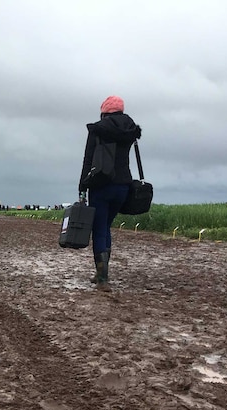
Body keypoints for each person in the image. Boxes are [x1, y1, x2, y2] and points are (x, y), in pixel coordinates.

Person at [78, 95, 142, 291]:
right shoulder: (130, 130)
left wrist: (82, 186)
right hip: (123, 186)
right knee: (105, 226)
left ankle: (102, 278)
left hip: (101, 184)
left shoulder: (98, 130)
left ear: (104, 112)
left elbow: (88, 160)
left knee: (99, 228)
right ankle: (101, 274)